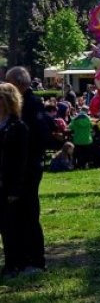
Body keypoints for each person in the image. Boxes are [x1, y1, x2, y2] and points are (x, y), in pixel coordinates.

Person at [5, 67, 53, 273]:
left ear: (17, 84)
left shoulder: (31, 105)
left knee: (29, 213)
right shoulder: (26, 106)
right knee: (16, 215)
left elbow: (42, 135)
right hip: (20, 167)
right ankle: (20, 258)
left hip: (29, 166)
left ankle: (35, 259)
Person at [0, 82, 31, 278]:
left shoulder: (18, 127)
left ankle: (14, 264)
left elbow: (21, 161)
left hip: (8, 183)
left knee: (9, 227)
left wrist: (15, 189)